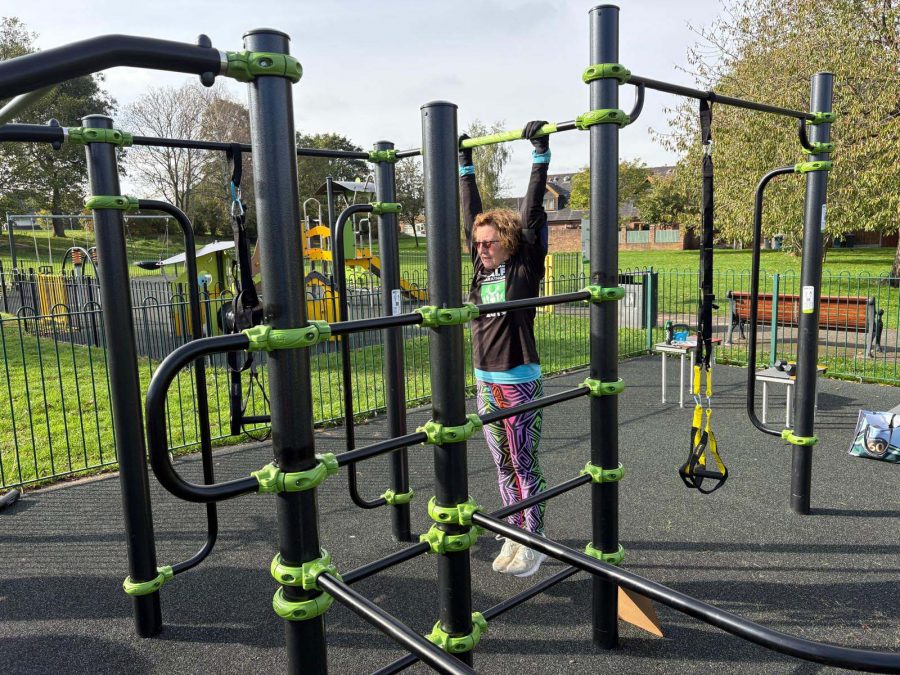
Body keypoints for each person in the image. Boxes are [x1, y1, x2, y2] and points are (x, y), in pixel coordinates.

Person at [458, 120, 550, 578]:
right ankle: (514, 530)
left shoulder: (524, 266)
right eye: (478, 243)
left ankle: (534, 541)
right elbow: (470, 214)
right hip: (485, 381)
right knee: (501, 463)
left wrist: (540, 155)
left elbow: (532, 213)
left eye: (489, 242)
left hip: (518, 379)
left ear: (508, 242)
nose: (481, 249)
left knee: (523, 462)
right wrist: (464, 164)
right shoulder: (480, 268)